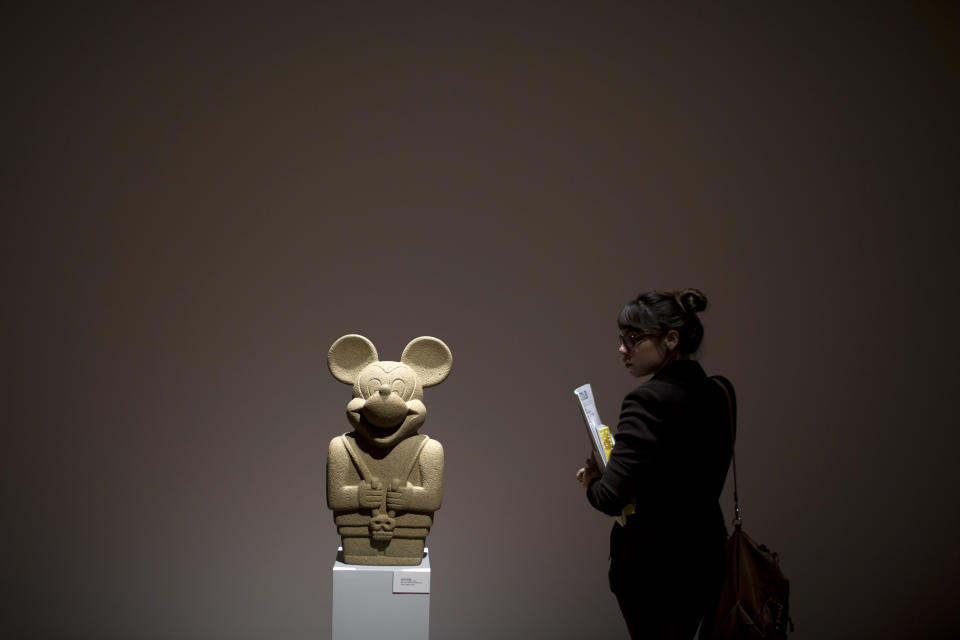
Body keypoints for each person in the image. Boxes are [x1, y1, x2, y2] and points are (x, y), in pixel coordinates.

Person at [577, 288, 734, 639]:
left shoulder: (647, 400)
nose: (622, 349)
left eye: (633, 339)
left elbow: (610, 498)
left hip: (655, 567)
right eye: (622, 338)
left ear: (671, 339)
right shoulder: (721, 391)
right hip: (708, 556)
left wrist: (591, 479)